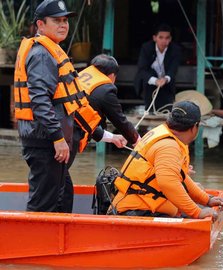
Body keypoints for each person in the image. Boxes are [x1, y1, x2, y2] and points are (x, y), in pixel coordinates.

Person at [13, 0, 88, 212]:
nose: (63, 25)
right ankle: (34, 244)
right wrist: (58, 138)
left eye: (65, 20)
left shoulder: (51, 51)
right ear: (41, 25)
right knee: (44, 204)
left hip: (50, 139)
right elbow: (39, 100)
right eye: (57, 20)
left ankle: (58, 244)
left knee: (63, 196)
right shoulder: (42, 54)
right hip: (45, 140)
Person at [111, 101, 223, 219]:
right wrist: (197, 212)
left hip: (142, 208)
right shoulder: (168, 146)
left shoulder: (165, 135)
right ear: (194, 127)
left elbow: (181, 177)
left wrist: (206, 199)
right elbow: (169, 183)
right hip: (138, 212)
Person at [77, 54, 141, 152]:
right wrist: (137, 141)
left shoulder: (77, 79)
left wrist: (112, 138)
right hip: (63, 138)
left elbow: (84, 122)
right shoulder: (105, 89)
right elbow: (119, 120)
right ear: (112, 75)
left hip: (55, 128)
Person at [135, 23, 181, 112]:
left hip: (166, 80)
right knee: (149, 79)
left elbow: (173, 69)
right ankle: (149, 109)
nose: (164, 41)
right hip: (149, 81)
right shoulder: (146, 48)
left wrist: (165, 79)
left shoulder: (175, 50)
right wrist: (155, 81)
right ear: (155, 38)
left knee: (167, 103)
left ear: (170, 39)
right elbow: (142, 69)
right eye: (161, 37)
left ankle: (166, 111)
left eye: (167, 38)